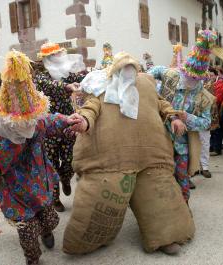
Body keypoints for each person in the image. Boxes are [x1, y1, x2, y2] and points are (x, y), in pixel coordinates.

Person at [63, 51, 194, 255]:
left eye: (132, 70)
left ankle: (165, 237)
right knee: (101, 204)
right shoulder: (100, 87)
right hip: (111, 160)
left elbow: (161, 104)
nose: (128, 74)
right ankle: (92, 240)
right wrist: (83, 122)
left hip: (150, 156)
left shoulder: (146, 85)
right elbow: (91, 108)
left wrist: (173, 118)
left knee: (160, 198)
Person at [0, 51, 79, 265]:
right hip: (15, 197)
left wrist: (66, 120)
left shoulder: (33, 122)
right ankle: (33, 259)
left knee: (51, 220)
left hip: (40, 188)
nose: (30, 125)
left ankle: (45, 231)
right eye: (25, 121)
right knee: (28, 233)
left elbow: (47, 122)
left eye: (33, 119)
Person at [149, 30, 215, 200]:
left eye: (195, 79)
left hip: (182, 145)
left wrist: (188, 118)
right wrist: (146, 83)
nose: (190, 81)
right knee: (158, 180)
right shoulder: (172, 75)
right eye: (188, 76)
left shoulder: (203, 97)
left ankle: (183, 209)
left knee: (182, 180)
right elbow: (154, 71)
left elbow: (206, 123)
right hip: (159, 139)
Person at [34, 43, 86, 212]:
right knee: (51, 163)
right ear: (48, 58)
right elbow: (48, 85)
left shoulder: (65, 73)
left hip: (68, 123)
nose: (60, 57)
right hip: (48, 126)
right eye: (56, 55)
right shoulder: (40, 75)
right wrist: (66, 87)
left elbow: (79, 80)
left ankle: (66, 177)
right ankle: (55, 198)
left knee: (70, 158)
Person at [210, 68, 223, 156]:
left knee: (217, 129)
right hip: (212, 108)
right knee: (212, 129)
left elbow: (218, 98)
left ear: (216, 75)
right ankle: (212, 146)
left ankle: (217, 149)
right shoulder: (212, 82)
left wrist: (210, 101)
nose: (210, 77)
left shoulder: (220, 82)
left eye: (212, 75)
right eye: (209, 75)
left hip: (217, 109)